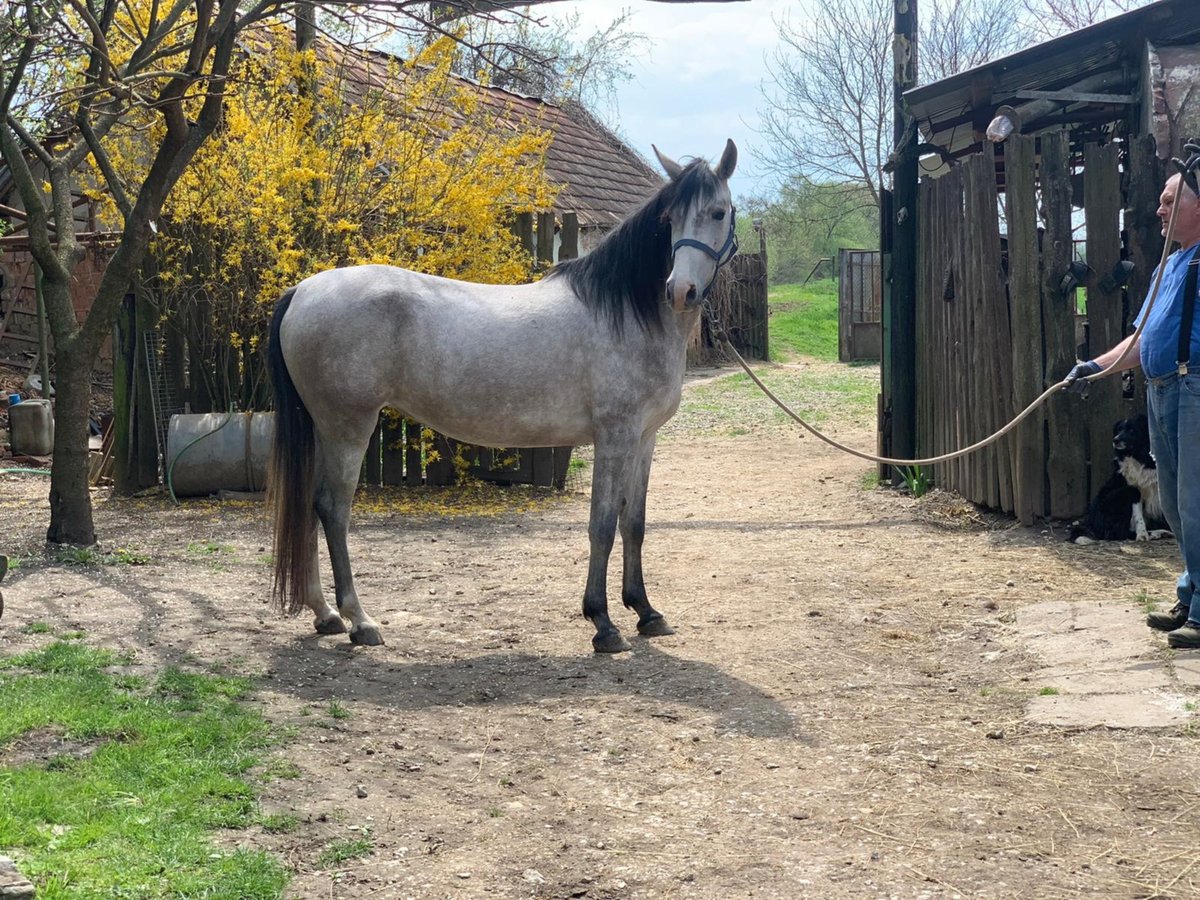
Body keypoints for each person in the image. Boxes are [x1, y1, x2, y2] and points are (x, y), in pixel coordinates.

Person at [1064, 165, 1200, 649]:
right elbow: (1140, 340)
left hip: (1194, 388)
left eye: (1169, 201)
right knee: (1179, 509)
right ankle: (1191, 597)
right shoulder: (1170, 265)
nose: (1158, 210)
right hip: (1162, 390)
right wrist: (1091, 367)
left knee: (1195, 501)